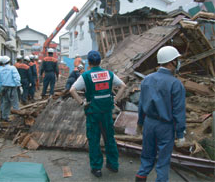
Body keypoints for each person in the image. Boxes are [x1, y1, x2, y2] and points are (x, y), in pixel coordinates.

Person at [70, 50, 126, 178]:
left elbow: (72, 89)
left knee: (94, 139)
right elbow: (123, 85)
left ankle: (97, 168)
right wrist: (114, 100)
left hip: (93, 113)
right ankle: (113, 165)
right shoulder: (109, 74)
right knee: (110, 138)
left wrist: (82, 103)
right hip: (106, 112)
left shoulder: (86, 76)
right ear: (100, 61)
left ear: (88, 62)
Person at [135, 46, 186, 182]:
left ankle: (140, 177)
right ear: (171, 62)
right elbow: (178, 111)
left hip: (149, 124)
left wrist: (140, 123)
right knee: (163, 162)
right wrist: (180, 134)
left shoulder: (147, 80)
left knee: (146, 157)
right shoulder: (176, 84)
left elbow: (141, 104)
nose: (178, 62)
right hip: (165, 126)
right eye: (176, 60)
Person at [0, 55, 21, 122]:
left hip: (4, 88)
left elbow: (0, 80)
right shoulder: (12, 68)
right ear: (9, 61)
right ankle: (17, 118)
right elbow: (17, 78)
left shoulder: (1, 69)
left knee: (6, 103)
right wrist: (19, 85)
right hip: (12, 88)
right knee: (15, 103)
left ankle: (4, 117)